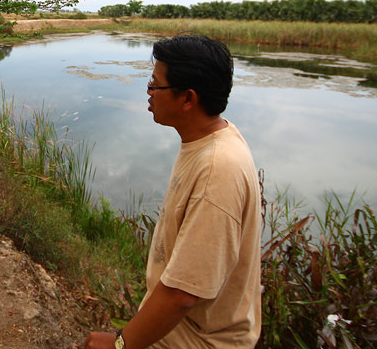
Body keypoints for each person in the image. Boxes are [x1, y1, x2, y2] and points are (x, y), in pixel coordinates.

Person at [84, 35, 262, 349]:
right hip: (185, 327)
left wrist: (119, 345)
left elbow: (182, 295)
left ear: (188, 99)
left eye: (156, 85)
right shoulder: (210, 138)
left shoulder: (217, 170)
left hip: (200, 340)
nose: (149, 92)